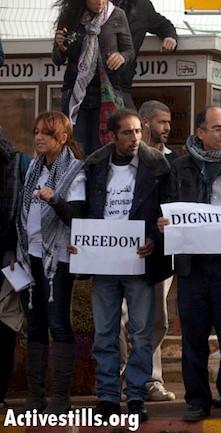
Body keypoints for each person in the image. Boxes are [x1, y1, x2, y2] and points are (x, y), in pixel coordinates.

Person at [158, 105, 221, 421]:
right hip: (193, 267)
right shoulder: (181, 167)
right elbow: (168, 208)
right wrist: (162, 224)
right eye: (216, 128)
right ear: (199, 133)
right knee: (194, 338)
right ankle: (197, 400)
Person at [83, 109, 170, 421]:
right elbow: (82, 209)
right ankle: (107, 396)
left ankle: (135, 396)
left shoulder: (158, 165)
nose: (135, 138)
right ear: (111, 135)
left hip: (140, 263)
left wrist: (154, 240)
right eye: (127, 133)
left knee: (142, 333)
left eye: (137, 131)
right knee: (104, 334)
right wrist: (80, 242)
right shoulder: (93, 166)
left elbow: (166, 213)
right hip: (103, 263)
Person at [14, 112, 86, 414]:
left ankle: (60, 397)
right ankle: (35, 396)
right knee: (35, 326)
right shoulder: (33, 169)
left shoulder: (75, 171)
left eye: (47, 133)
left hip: (57, 258)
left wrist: (55, 199)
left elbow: (78, 217)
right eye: (36, 132)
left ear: (63, 138)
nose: (39, 138)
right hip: (30, 256)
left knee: (57, 323)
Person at [116, 100, 177, 403]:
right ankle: (126, 375)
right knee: (119, 319)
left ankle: (147, 378)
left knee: (157, 320)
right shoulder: (121, 160)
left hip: (157, 253)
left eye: (169, 122)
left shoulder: (172, 161)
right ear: (144, 122)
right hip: (120, 251)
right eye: (162, 122)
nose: (167, 128)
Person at [53, 0, 134, 155]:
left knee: (103, 147)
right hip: (76, 95)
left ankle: (99, 178)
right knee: (76, 147)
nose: (100, 2)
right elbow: (57, 58)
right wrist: (61, 48)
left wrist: (121, 57)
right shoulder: (69, 16)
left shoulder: (117, 14)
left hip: (107, 92)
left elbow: (129, 51)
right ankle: (77, 179)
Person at [0, 128, 29, 409]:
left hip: (8, 259)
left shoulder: (19, 166)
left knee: (5, 325)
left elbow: (25, 214)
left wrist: (15, 251)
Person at [110, 0, 178, 109]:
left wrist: (170, 37)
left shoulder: (142, 6)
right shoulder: (97, 4)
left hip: (122, 83)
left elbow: (163, 25)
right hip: (93, 84)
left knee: (130, 123)